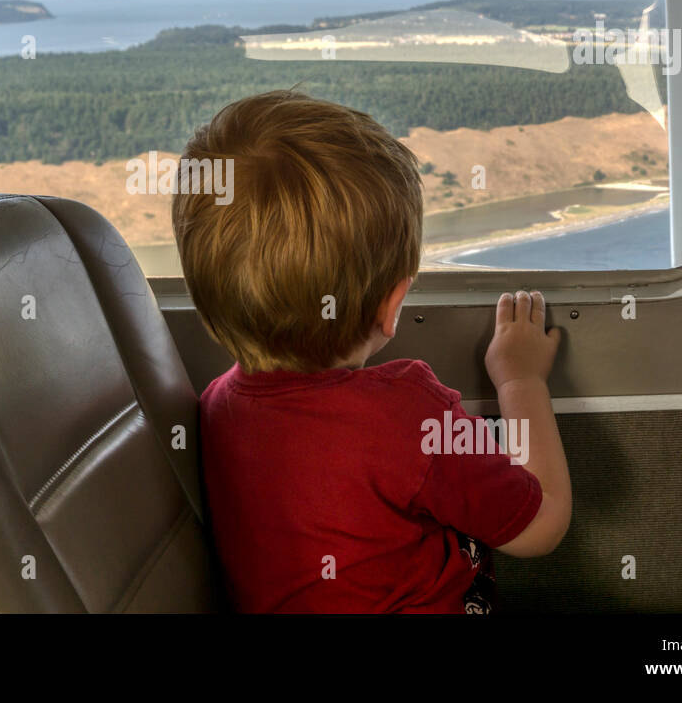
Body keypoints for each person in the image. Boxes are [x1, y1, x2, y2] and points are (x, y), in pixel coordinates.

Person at [171, 90, 572, 612]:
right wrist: (522, 381)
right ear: (394, 305)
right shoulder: (406, 416)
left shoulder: (217, 409)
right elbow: (540, 526)